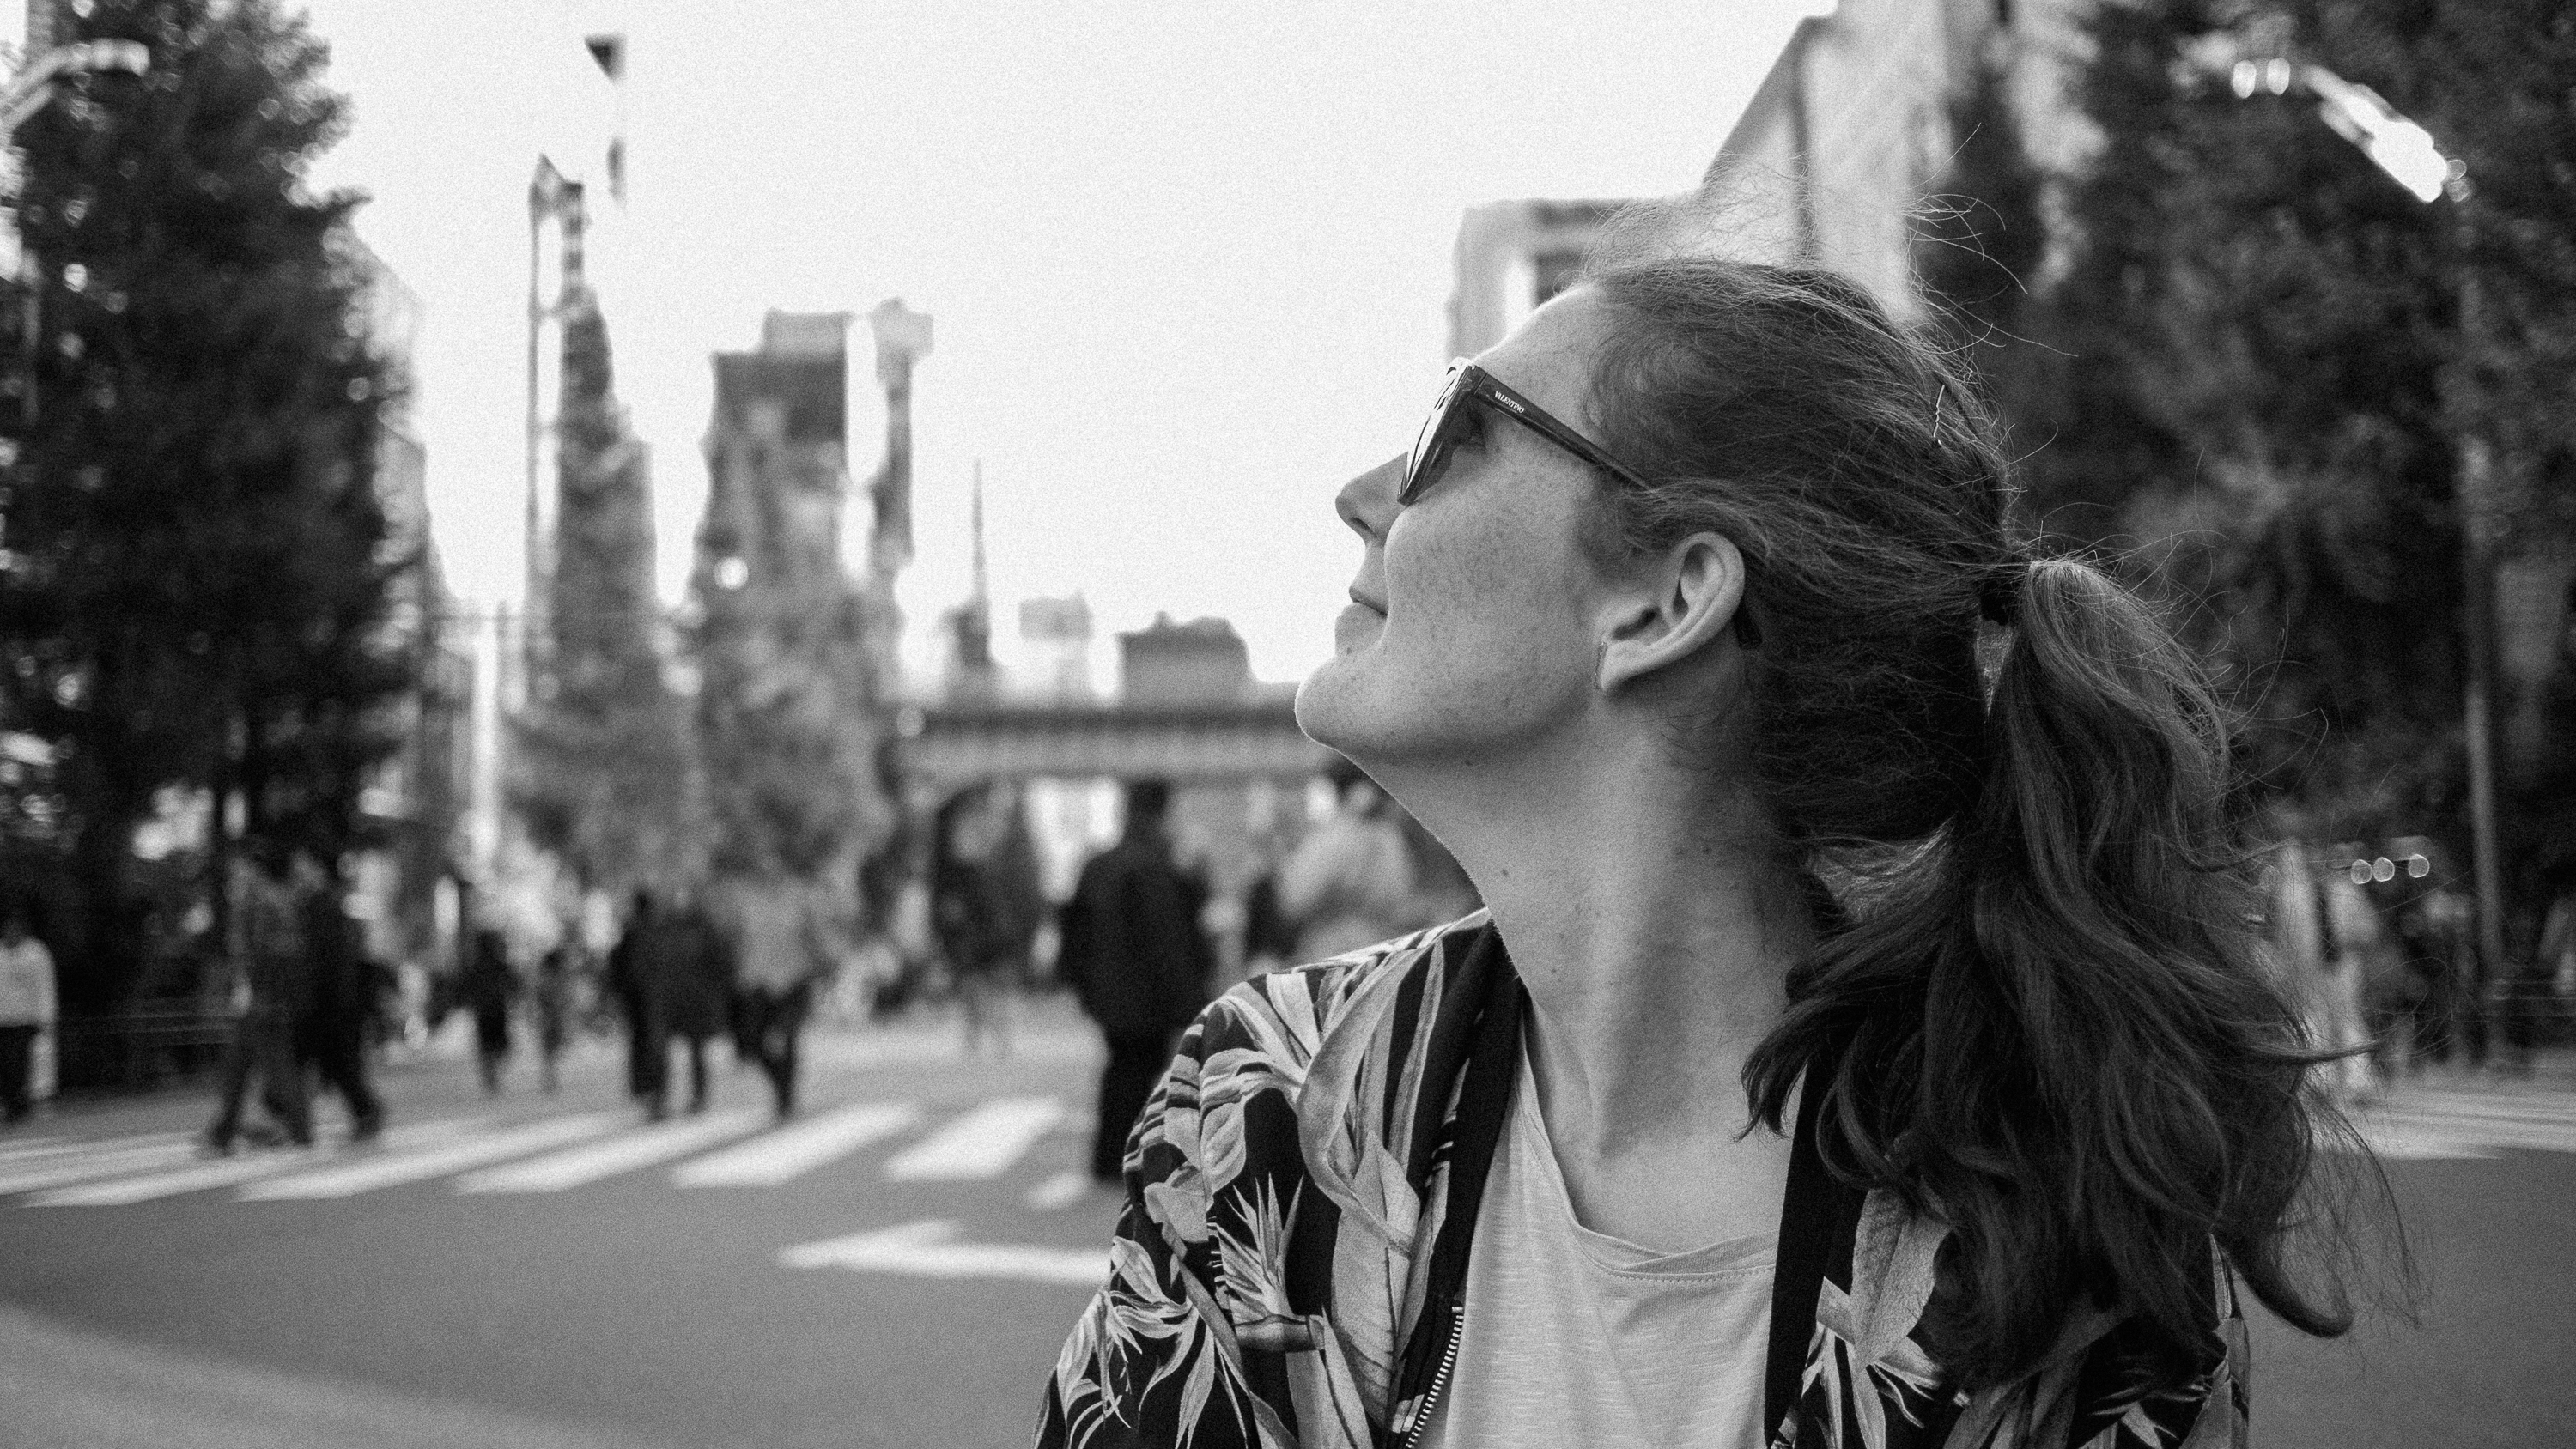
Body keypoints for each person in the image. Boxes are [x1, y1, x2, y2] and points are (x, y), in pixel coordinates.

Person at [1039, 250, 2376, 1447]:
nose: (1361, 494)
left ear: (1665, 600)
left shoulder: (2045, 1224)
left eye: (1453, 430)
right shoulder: (1270, 1100)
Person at [1054, 778, 1213, 1185]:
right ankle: (1129, 1158)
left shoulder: (1100, 864)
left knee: (1119, 1071)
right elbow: (1170, 941)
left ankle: (1108, 1157)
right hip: (1147, 996)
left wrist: (1078, 983)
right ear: (1162, 813)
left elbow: (1075, 930)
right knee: (1143, 1075)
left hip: (1107, 993)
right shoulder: (1158, 867)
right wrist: (1190, 997)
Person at [205, 846, 315, 1150]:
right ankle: (224, 1131)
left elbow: (272, 954)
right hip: (258, 1000)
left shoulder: (263, 904)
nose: (234, 876)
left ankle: (298, 1129)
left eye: (239, 869)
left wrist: (264, 994)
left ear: (254, 868)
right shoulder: (262, 902)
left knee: (273, 1069)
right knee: (241, 1067)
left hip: (263, 1001)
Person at [932, 783, 1047, 1058]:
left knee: (991, 982)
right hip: (980, 925)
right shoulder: (967, 848)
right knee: (977, 982)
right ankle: (982, 1037)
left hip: (994, 925)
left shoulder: (1004, 845)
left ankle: (994, 1038)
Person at [1277, 761, 1422, 960]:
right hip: (1387, 949)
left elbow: (1295, 900)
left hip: (1333, 950)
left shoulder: (1333, 838)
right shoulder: (1391, 837)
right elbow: (1403, 895)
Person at [725, 876, 836, 1120]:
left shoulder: (800, 899)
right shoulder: (746, 901)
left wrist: (826, 964)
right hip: (757, 984)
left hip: (794, 981)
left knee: (787, 1037)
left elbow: (816, 938)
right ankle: (780, 1085)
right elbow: (735, 942)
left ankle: (786, 1095)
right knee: (752, 1043)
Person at [297, 866, 386, 1141]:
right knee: (339, 1066)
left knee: (336, 1066)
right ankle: (365, 1112)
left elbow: (326, 969)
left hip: (330, 1008)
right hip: (338, 1009)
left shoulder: (324, 918)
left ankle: (365, 1112)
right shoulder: (340, 922)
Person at [645, 888, 735, 1119]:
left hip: (696, 1000)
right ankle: (659, 1097)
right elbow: (651, 963)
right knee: (659, 1051)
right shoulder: (662, 927)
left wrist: (715, 996)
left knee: (696, 1051)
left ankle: (698, 1097)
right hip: (667, 998)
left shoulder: (704, 929)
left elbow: (720, 966)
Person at [0, 906, 56, 1128]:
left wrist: (46, 1017)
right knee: (5, 1064)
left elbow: (45, 986)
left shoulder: (36, 953)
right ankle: (11, 1102)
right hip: (3, 1017)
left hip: (25, 1017)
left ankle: (19, 1104)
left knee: (19, 1063)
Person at [458, 927, 519, 1096]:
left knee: (495, 1046)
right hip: (489, 1011)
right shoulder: (480, 967)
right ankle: (490, 1075)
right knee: (493, 1045)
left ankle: (491, 1073)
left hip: (493, 1011)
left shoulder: (493, 966)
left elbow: (513, 984)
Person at [533, 941, 576, 1095]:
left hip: (551, 1017)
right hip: (553, 1017)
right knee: (551, 1048)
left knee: (550, 1049)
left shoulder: (547, 978)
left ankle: (551, 1076)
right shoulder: (555, 978)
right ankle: (551, 1076)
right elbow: (564, 998)